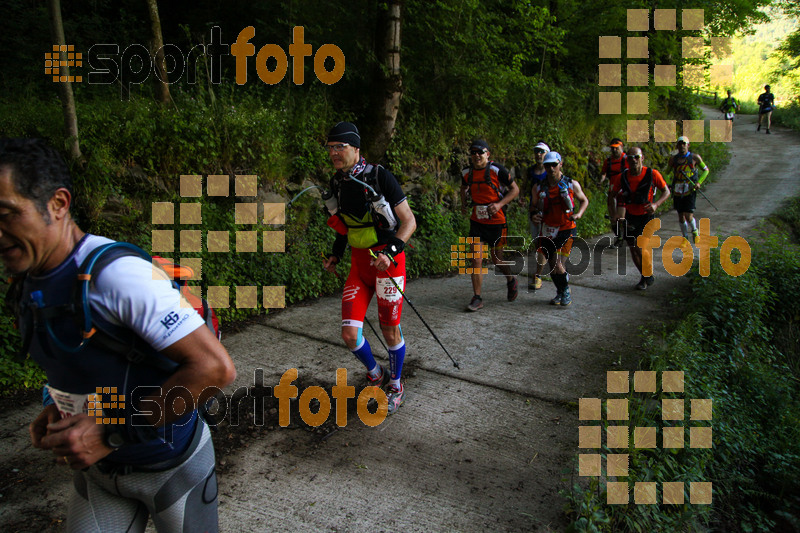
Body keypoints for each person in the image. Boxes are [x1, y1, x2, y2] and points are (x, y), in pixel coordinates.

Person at [0, 138, 236, 532]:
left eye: (7, 213)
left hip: (171, 466)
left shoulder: (118, 276)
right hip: (99, 474)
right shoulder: (28, 279)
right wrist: (58, 408)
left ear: (58, 204)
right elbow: (82, 361)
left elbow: (214, 370)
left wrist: (108, 431)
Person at [321, 122, 416, 414]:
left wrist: (390, 251)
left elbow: (408, 222)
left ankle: (397, 385)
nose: (335, 153)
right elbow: (343, 225)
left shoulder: (379, 176)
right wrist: (336, 254)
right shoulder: (337, 181)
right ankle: (377, 374)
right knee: (349, 334)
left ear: (356, 149)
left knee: (389, 331)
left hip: (388, 265)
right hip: (359, 266)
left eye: (341, 147)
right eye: (331, 148)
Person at [459, 139, 520, 311]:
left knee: (497, 258)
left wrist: (500, 204)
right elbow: (463, 188)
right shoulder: (466, 172)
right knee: (476, 259)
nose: (477, 155)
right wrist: (464, 204)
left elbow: (515, 190)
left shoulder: (497, 170)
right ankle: (477, 297)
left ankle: (510, 279)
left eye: (480, 152)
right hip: (477, 221)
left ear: (488, 154)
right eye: (473, 152)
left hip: (496, 221)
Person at [530, 151, 589, 307]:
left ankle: (565, 292)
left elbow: (584, 200)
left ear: (560, 164)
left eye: (554, 165)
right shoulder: (539, 187)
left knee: (557, 264)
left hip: (566, 228)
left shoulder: (571, 184)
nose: (551, 169)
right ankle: (560, 292)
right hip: (547, 229)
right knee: (553, 266)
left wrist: (579, 214)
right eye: (547, 165)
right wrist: (534, 216)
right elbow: (533, 207)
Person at [611, 146, 671, 290]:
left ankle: (647, 274)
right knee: (633, 250)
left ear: (642, 158)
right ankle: (645, 277)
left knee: (640, 246)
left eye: (636, 157)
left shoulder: (652, 174)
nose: (634, 161)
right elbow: (612, 195)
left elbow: (666, 191)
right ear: (627, 160)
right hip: (630, 217)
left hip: (647, 216)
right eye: (630, 158)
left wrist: (656, 205)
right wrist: (615, 215)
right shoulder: (622, 177)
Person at [666, 136, 709, 244]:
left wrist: (699, 182)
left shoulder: (695, 158)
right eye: (680, 144)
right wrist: (666, 184)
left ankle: (694, 231)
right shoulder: (673, 159)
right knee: (680, 215)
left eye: (684, 144)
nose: (682, 146)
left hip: (690, 189)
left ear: (688, 145)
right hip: (677, 190)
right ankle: (685, 237)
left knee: (688, 216)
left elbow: (706, 170)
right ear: (677, 146)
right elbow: (666, 173)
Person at [526, 141, 550, 291]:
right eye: (536, 151)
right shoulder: (530, 171)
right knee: (537, 243)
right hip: (533, 210)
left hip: (548, 213)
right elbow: (525, 187)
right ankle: (542, 268)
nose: (539, 154)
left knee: (542, 244)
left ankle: (538, 275)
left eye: (542, 152)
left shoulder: (552, 171)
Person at [600, 138, 629, 248]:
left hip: (623, 192)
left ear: (621, 147)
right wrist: (600, 181)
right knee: (613, 217)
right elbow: (603, 173)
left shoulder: (627, 159)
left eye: (617, 148)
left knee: (620, 217)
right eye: (612, 148)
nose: (614, 150)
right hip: (612, 192)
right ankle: (619, 237)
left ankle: (624, 237)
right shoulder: (608, 161)